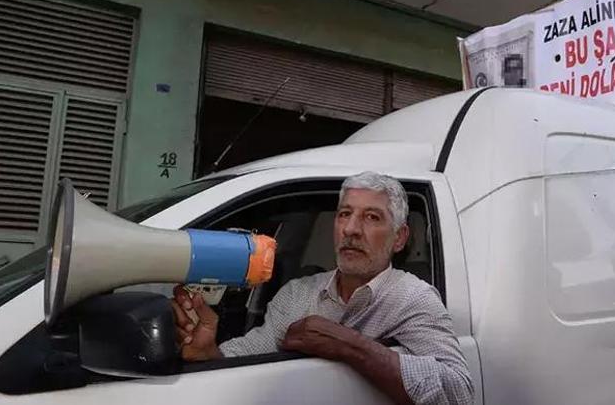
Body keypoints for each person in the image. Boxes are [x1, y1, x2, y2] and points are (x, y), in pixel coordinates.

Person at [172, 171, 474, 405]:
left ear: (399, 238)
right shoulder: (299, 293)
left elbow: (458, 393)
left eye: (371, 217)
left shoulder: (412, 299)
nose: (352, 229)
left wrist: (347, 345)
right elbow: (252, 355)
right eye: (345, 214)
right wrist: (209, 353)